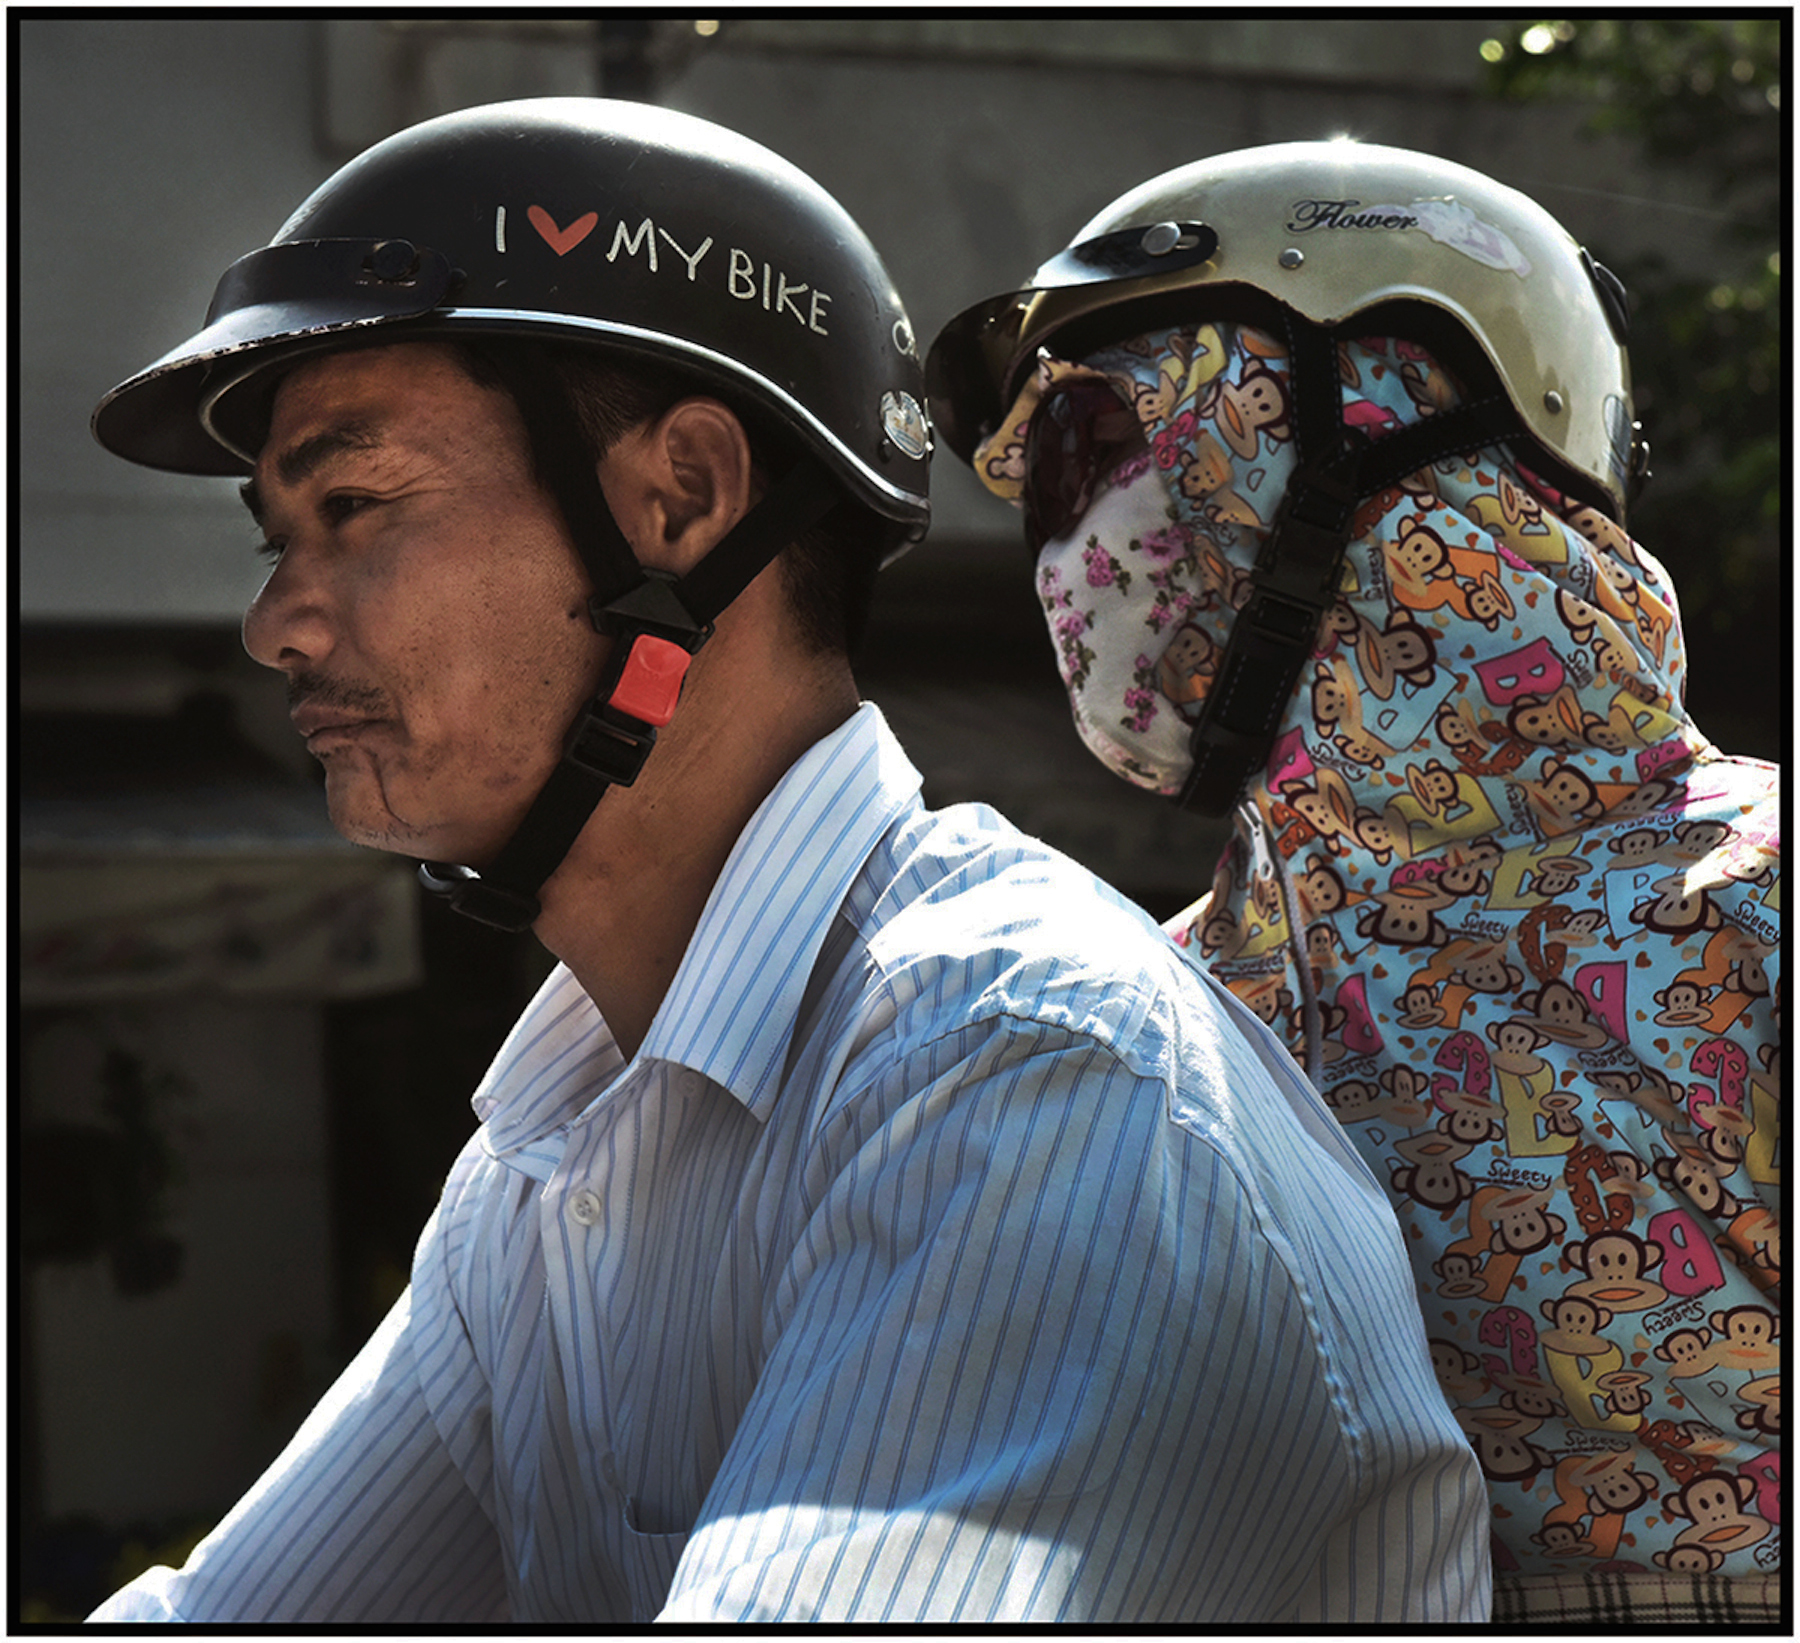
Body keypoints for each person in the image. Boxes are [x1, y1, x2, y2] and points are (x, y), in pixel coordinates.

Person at [80, 102, 1488, 1624]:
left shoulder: (1031, 1078)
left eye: (352, 506)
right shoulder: (541, 1173)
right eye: (271, 540)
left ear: (679, 501)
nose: (274, 623)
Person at [928, 139, 1782, 1627]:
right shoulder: (1155, 1008)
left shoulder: (1759, 906)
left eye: (1095, 447)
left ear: (1378, 420)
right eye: (1041, 483)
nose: (1063, 546)